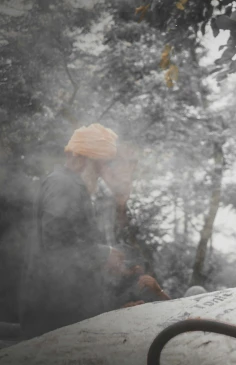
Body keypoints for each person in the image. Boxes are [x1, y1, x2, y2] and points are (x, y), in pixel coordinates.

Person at [19, 124, 166, 338]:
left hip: (62, 311)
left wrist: (109, 261)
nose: (101, 174)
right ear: (84, 159)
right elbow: (56, 246)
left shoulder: (71, 186)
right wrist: (102, 254)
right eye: (101, 166)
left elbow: (74, 252)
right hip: (51, 316)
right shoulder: (63, 185)